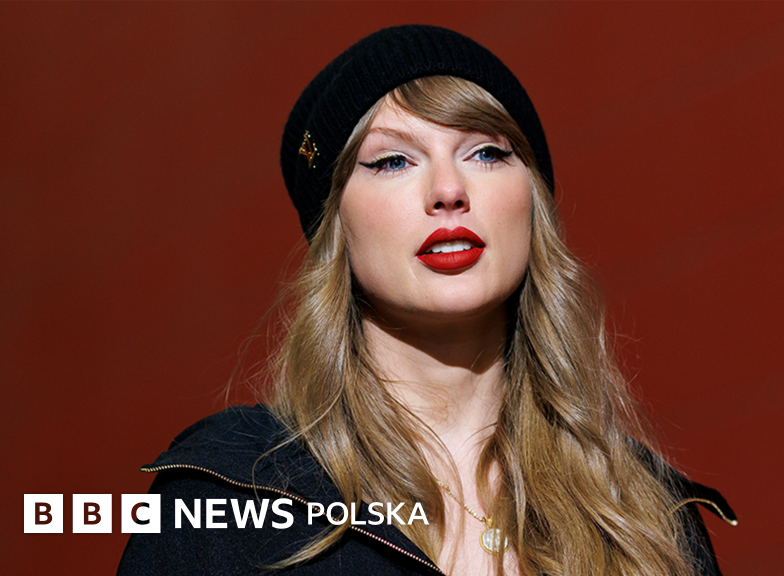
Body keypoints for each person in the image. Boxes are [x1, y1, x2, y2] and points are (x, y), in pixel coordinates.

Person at [118, 25, 736, 576]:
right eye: (392, 161)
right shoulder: (228, 494)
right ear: (336, 226)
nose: (448, 189)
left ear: (532, 203)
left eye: (486, 152)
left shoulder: (646, 517)